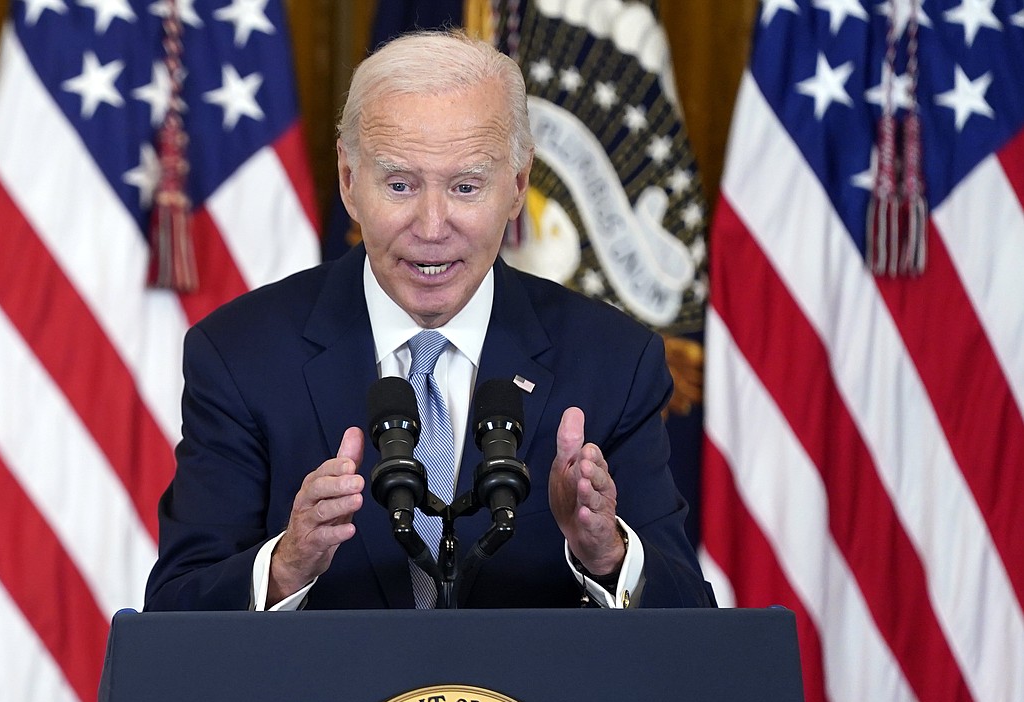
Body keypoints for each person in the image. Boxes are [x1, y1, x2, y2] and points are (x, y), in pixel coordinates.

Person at [144, 30, 714, 612]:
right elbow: (174, 615)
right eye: (399, 185)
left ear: (517, 187)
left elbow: (692, 632)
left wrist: (606, 553)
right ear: (349, 181)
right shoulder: (242, 355)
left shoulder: (613, 362)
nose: (433, 225)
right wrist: (286, 567)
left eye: (466, 187)